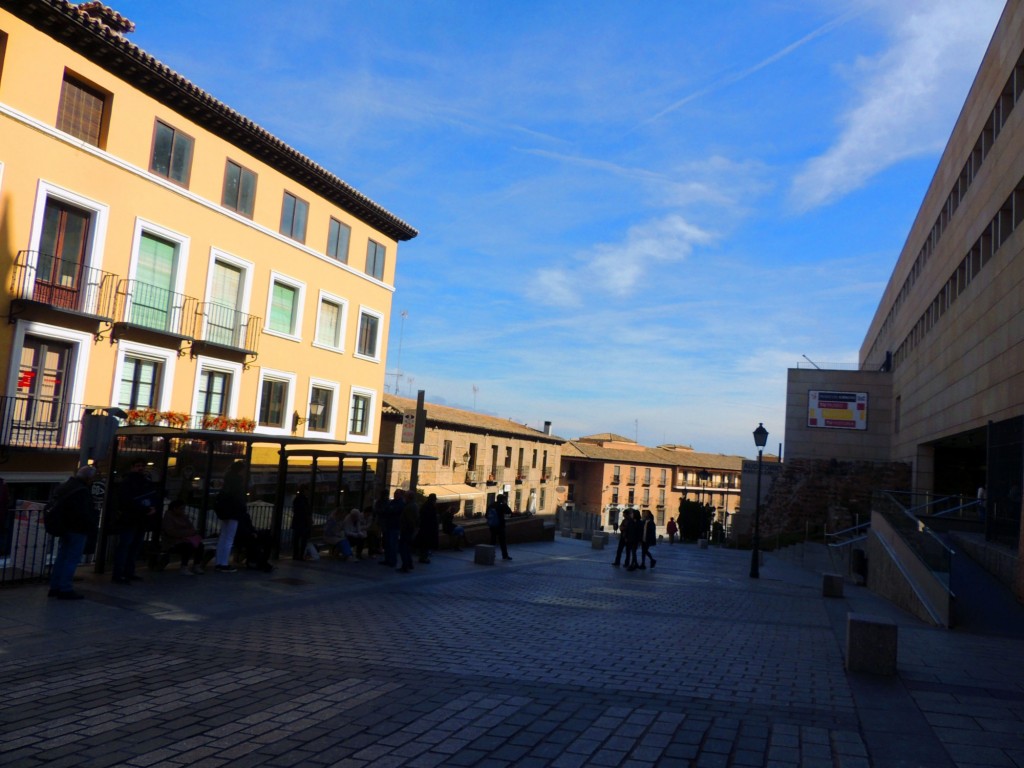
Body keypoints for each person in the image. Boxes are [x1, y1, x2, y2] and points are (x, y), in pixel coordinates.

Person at [47, 464, 98, 600]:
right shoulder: (82, 491)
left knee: (62, 557)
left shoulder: (64, 486)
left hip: (64, 528)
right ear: (89, 478)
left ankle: (55, 586)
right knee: (72, 559)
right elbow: (83, 513)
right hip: (77, 529)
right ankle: (65, 588)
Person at [112, 459, 159, 585]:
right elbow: (126, 501)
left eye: (142, 466)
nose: (141, 468)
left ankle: (128, 571)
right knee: (126, 546)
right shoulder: (129, 483)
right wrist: (146, 509)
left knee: (133, 546)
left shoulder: (143, 482)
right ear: (132, 467)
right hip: (131, 518)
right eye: (138, 466)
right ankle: (120, 573)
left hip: (138, 519)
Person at [213, 460, 247, 573]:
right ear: (241, 470)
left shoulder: (227, 480)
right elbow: (239, 499)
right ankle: (224, 563)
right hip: (234, 512)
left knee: (223, 537)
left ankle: (219, 562)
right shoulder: (238, 482)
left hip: (225, 511)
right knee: (229, 538)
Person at [161, 499, 206, 574]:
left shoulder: (183, 516)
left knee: (200, 545)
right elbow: (171, 532)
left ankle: (196, 565)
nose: (183, 510)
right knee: (187, 547)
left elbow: (192, 528)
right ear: (174, 508)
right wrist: (186, 533)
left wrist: (185, 533)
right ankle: (184, 567)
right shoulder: (168, 517)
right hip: (173, 542)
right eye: (181, 509)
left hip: (185, 539)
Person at [380, 489, 404, 567]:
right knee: (387, 543)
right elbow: (386, 510)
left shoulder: (400, 503)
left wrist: (389, 510)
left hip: (395, 526)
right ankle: (387, 559)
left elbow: (391, 510)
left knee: (392, 544)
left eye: (397, 493)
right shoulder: (392, 502)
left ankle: (392, 561)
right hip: (389, 525)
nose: (395, 495)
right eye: (394, 493)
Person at [485, 493, 512, 560]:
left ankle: (490, 555)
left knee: (492, 541)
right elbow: (509, 512)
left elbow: (486, 515)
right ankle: (505, 556)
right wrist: (505, 503)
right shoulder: (502, 506)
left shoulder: (491, 505)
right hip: (500, 526)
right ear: (502, 499)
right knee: (502, 542)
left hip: (492, 526)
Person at [397, 492, 418, 572]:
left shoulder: (409, 507)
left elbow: (410, 520)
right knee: (407, 548)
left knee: (403, 548)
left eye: (405, 496)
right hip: (409, 530)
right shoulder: (414, 505)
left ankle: (405, 566)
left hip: (406, 530)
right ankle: (409, 563)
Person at [290, 485, 312, 561]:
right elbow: (305, 511)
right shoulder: (303, 500)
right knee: (302, 539)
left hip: (298, 522)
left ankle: (296, 555)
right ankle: (300, 555)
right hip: (302, 522)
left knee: (297, 539)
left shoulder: (298, 499)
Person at [416, 493, 440, 564]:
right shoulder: (431, 507)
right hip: (428, 529)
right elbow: (433, 518)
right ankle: (424, 558)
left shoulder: (425, 506)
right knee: (426, 544)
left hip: (424, 528)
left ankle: (422, 557)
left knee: (423, 544)